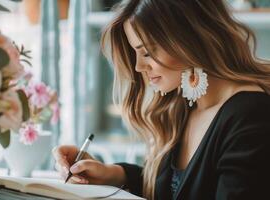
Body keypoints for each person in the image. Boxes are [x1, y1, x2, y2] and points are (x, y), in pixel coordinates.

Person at [53, 0, 270, 199]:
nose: (138, 67)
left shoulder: (251, 114)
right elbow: (176, 187)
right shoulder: (185, 104)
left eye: (146, 52)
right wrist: (113, 174)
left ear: (189, 38)